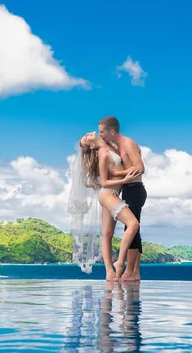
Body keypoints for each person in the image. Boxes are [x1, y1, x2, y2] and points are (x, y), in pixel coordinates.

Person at [74, 132, 141, 279]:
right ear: (92, 146)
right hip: (108, 193)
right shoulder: (102, 153)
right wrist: (126, 178)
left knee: (107, 234)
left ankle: (109, 273)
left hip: (111, 194)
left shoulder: (109, 147)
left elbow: (115, 172)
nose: (87, 134)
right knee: (133, 224)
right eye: (86, 138)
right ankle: (119, 263)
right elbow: (104, 182)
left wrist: (125, 173)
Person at [98, 116, 147, 282]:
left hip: (135, 190)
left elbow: (140, 168)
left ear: (112, 131)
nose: (101, 135)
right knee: (132, 230)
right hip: (127, 189)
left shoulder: (128, 143)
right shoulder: (115, 146)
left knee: (132, 228)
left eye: (102, 132)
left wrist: (117, 174)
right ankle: (133, 272)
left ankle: (128, 270)